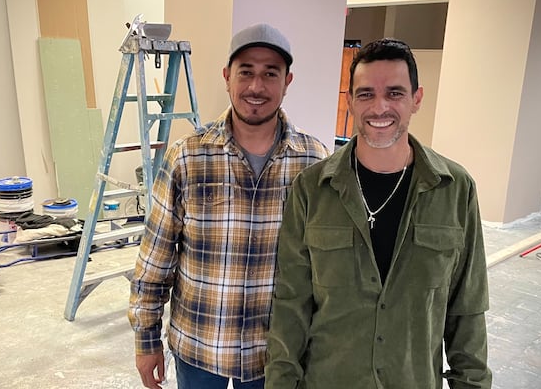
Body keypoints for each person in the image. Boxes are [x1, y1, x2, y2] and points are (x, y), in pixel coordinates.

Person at [265, 38, 492, 388]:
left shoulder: (455, 189)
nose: (380, 107)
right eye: (366, 94)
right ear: (350, 102)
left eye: (396, 93)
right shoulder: (311, 189)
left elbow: (467, 310)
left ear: (417, 99)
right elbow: (291, 307)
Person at [128, 23, 329, 389]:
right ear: (226, 77)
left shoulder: (313, 162)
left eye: (270, 74)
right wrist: (146, 339)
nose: (256, 86)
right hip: (201, 349)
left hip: (279, 354)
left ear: (288, 82)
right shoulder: (187, 157)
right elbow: (155, 259)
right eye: (246, 72)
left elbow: (326, 267)